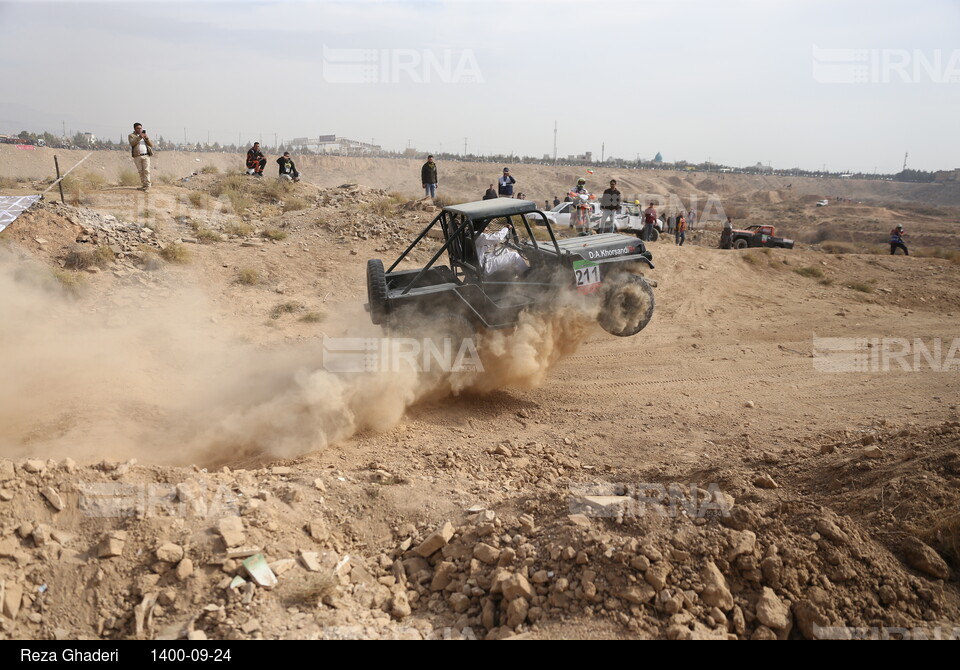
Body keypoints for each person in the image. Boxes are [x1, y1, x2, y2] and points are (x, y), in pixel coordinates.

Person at [127, 122, 153, 190]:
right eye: (138, 128)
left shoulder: (144, 135)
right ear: (134, 129)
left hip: (146, 155)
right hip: (137, 156)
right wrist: (139, 137)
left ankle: (148, 186)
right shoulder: (131, 135)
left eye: (140, 128)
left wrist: (146, 138)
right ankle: (144, 185)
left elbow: (151, 144)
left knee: (146, 170)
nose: (140, 129)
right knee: (140, 171)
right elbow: (132, 143)